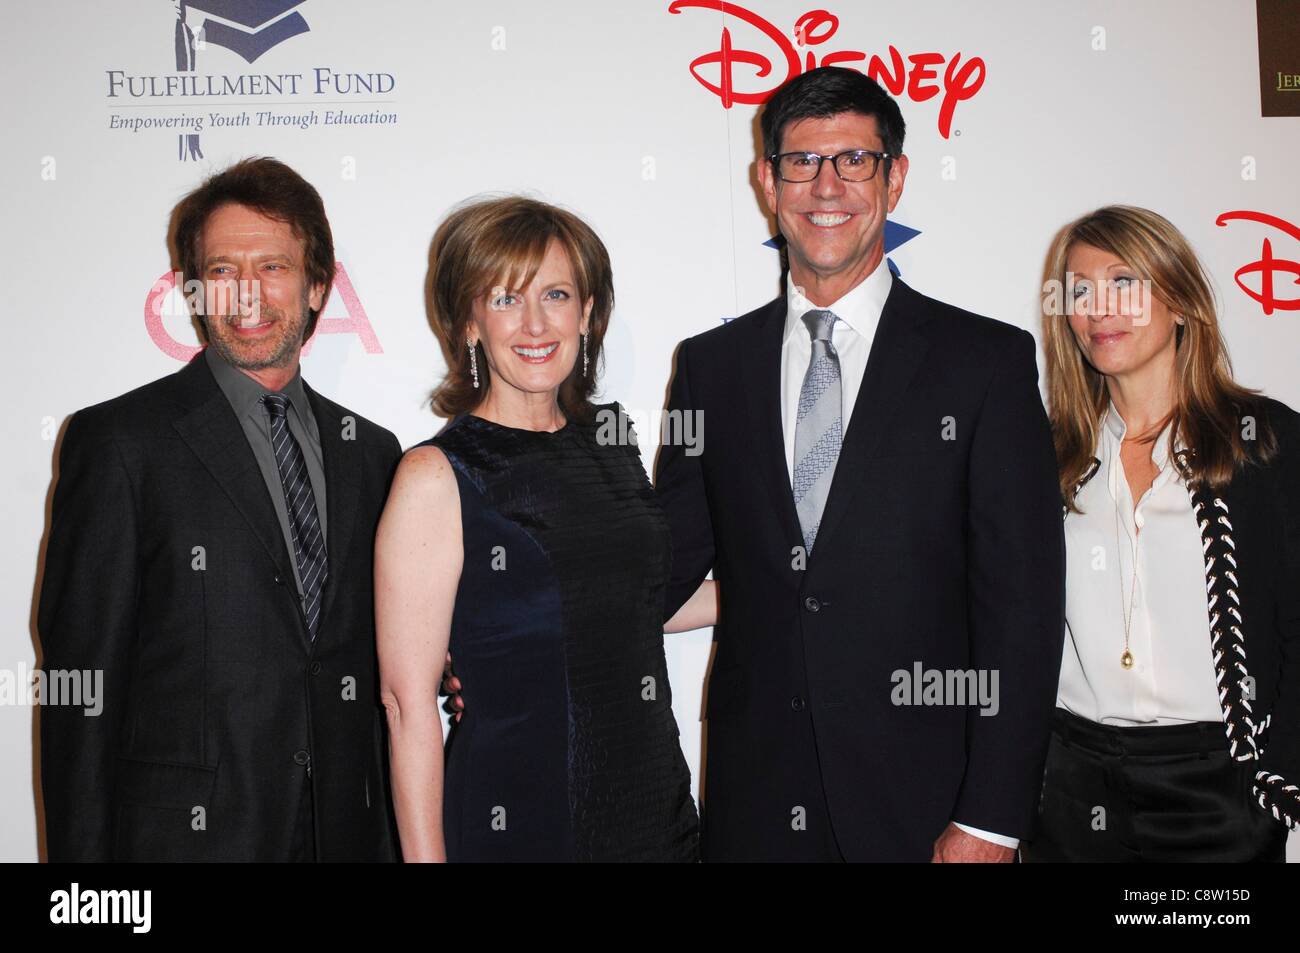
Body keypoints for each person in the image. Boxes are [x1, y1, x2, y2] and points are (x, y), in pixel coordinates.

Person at [449, 67, 1066, 862]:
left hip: (928, 809)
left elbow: (1024, 606)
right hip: (755, 808)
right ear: (768, 183)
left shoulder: (983, 363)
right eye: (802, 163)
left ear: (897, 178)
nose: (827, 185)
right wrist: (493, 638)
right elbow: (652, 569)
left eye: (855, 160)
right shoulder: (713, 367)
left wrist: (991, 818)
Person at [38, 157, 402, 862]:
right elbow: (80, 690)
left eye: (272, 267)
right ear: (194, 288)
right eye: (224, 269)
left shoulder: (375, 453)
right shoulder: (119, 442)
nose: (247, 294)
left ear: (318, 286)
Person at [377, 196, 700, 862]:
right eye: (504, 298)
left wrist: (798, 586)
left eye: (555, 294)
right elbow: (407, 704)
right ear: (468, 321)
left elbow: (642, 602)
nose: (534, 323)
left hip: (655, 815)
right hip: (519, 819)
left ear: (586, 314)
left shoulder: (613, 443)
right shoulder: (435, 476)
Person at [1022, 205, 1300, 862]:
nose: (1098, 308)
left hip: (1221, 792)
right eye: (1080, 291)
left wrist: (1277, 781)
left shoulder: (1265, 442)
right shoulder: (1042, 457)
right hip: (1070, 792)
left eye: (1124, 282)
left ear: (1180, 302)